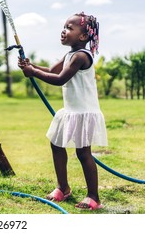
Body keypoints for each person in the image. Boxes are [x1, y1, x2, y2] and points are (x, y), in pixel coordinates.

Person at [17, 12, 108, 210]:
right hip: (70, 111)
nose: (63, 30)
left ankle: (93, 197)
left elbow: (59, 79)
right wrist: (30, 66)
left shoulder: (82, 57)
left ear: (83, 36)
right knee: (56, 145)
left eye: (69, 28)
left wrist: (33, 72)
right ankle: (63, 188)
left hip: (83, 113)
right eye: (64, 26)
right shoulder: (70, 55)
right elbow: (52, 70)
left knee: (83, 154)